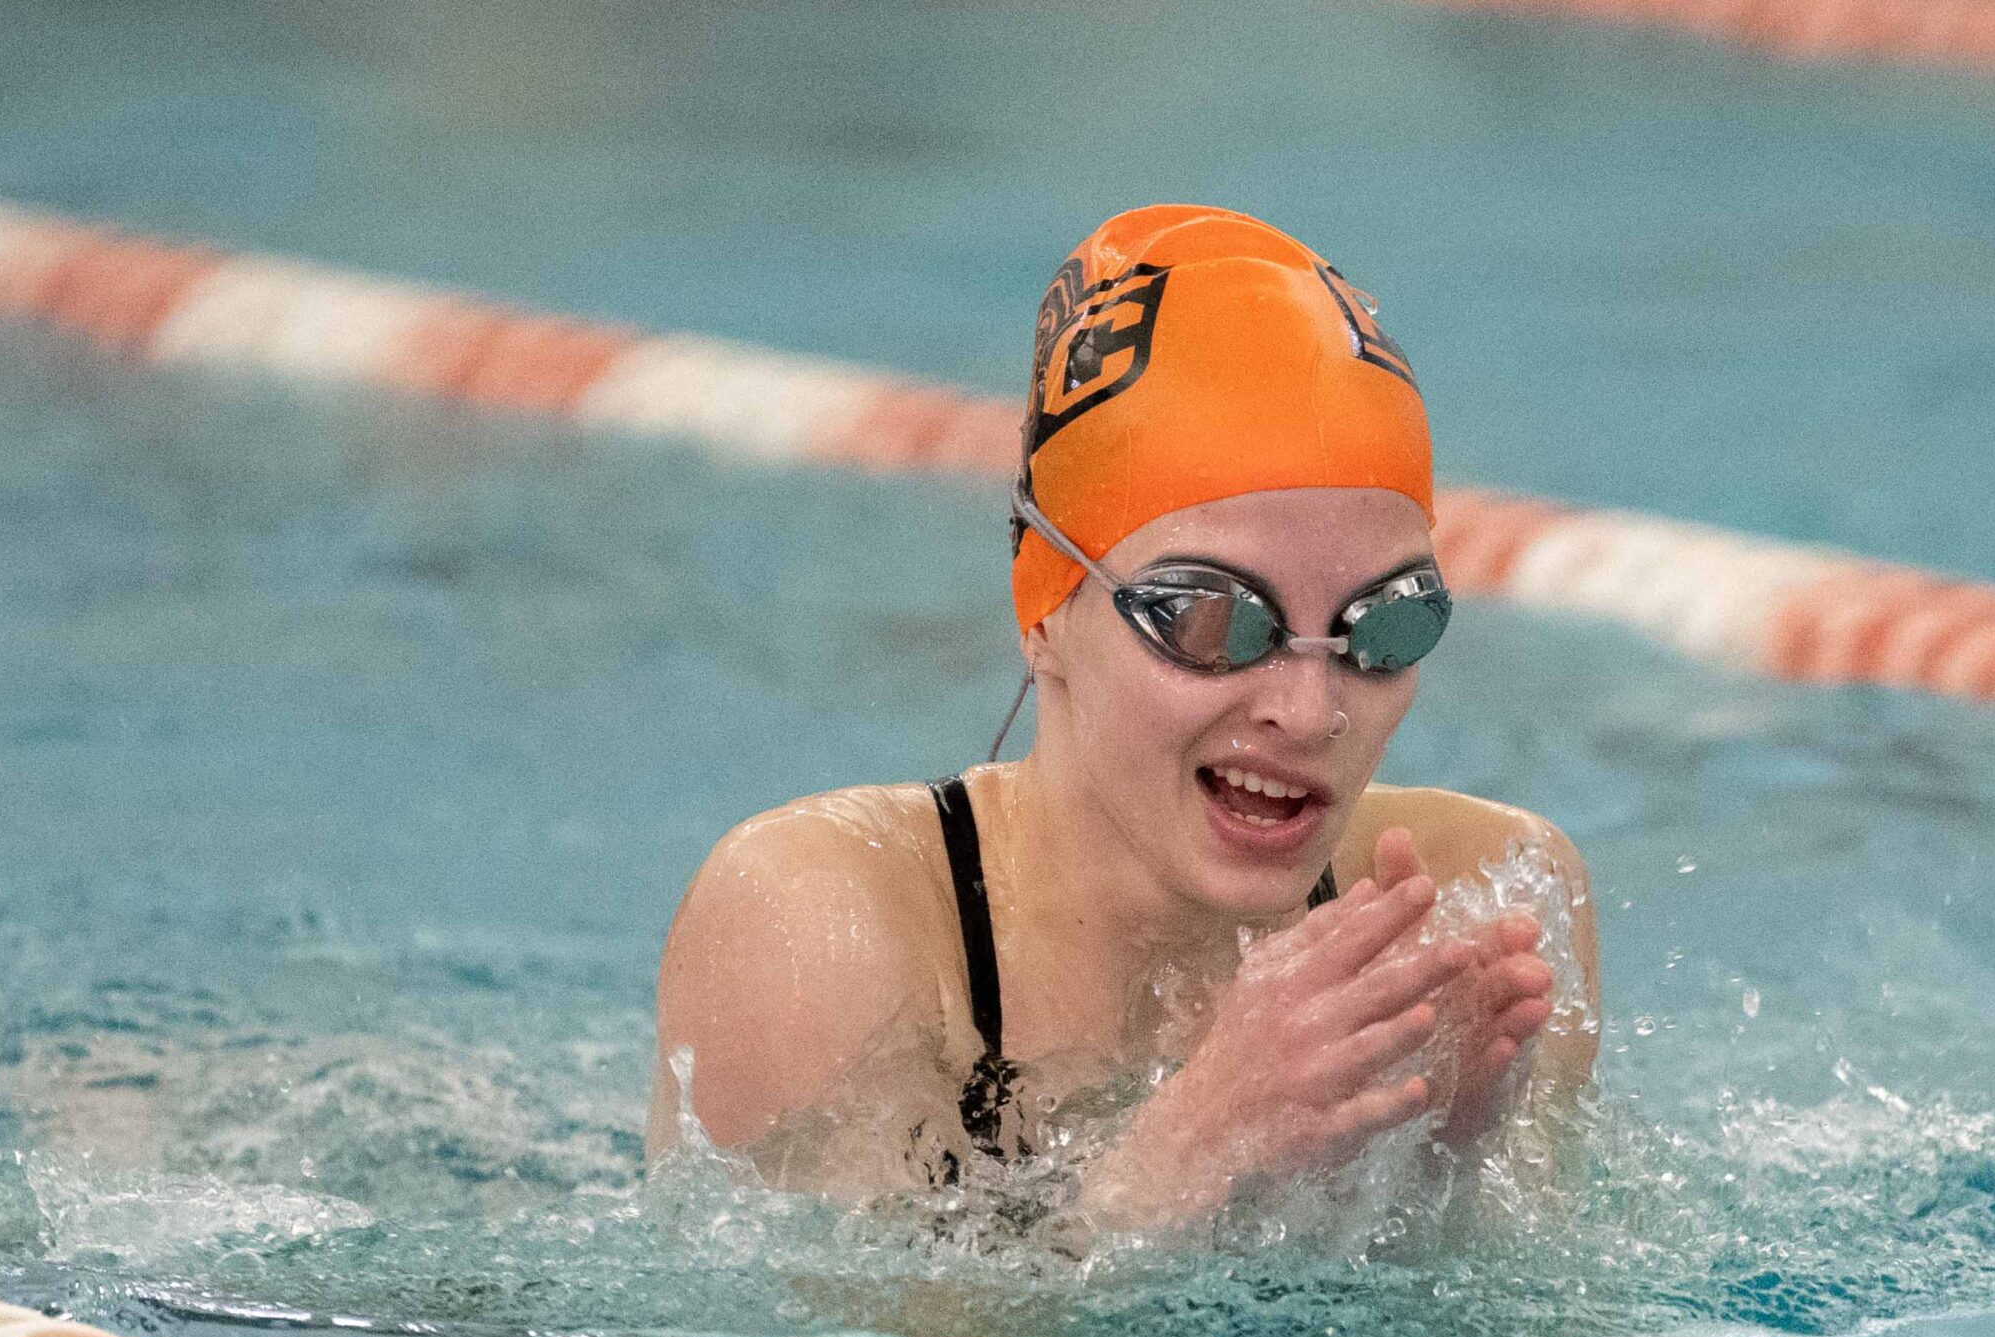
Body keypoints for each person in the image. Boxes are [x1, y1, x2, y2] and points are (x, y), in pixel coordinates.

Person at [651, 206, 1598, 1233]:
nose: (1309, 709)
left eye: (1382, 625)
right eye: (1211, 617)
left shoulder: (1480, 900)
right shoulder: (820, 928)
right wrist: (1182, 1153)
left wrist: (1443, 1181)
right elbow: (840, 1334)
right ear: (1046, 612)